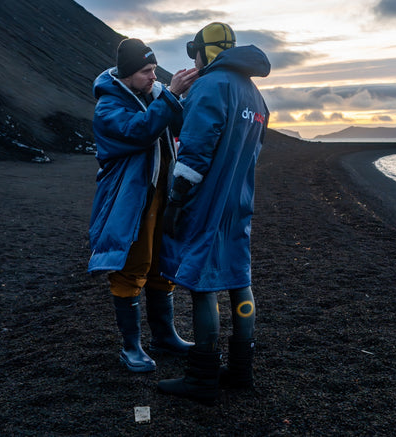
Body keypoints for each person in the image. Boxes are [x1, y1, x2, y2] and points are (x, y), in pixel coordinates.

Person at [156, 22, 270, 405]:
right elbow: (252, 153)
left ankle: (202, 378)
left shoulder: (209, 86)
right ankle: (241, 370)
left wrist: (176, 198)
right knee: (239, 277)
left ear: (204, 52)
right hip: (239, 201)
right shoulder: (255, 95)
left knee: (203, 284)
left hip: (208, 201)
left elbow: (196, 151)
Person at [88, 38, 198, 372]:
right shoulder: (108, 107)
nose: (153, 76)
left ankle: (164, 336)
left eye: (154, 69)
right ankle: (131, 347)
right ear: (126, 74)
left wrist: (187, 97)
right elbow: (141, 131)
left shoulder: (151, 95)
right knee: (132, 267)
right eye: (146, 71)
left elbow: (177, 125)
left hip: (160, 195)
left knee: (162, 264)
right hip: (131, 199)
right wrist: (170, 95)